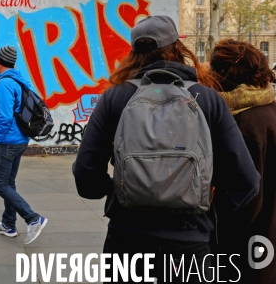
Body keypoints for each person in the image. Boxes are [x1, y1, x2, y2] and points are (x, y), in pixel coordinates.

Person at [73, 15, 260, 283]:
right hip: (190, 246)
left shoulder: (115, 98)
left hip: (127, 243)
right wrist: (208, 208)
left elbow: (85, 178)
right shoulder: (207, 99)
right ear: (177, 48)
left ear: (133, 53)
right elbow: (248, 181)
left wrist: (119, 189)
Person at [208, 39, 276, 283]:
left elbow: (248, 195)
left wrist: (216, 234)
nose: (209, 76)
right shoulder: (268, 108)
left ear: (226, 74)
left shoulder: (244, 123)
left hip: (247, 245)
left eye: (213, 70)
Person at [0, 45, 48, 245]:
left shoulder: (4, 84)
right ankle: (8, 224)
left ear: (2, 61)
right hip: (20, 139)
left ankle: (32, 218)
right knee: (9, 183)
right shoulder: (19, 81)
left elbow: (4, 117)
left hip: (7, 142)